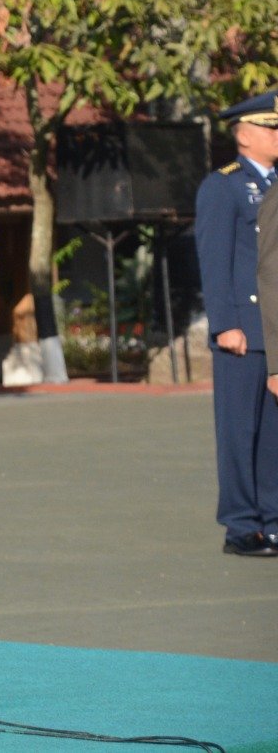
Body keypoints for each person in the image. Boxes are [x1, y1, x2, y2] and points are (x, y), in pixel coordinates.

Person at [196, 91, 278, 557]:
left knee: (273, 433)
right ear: (245, 135)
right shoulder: (223, 186)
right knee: (239, 429)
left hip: (275, 328)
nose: (277, 135)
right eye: (271, 127)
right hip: (243, 329)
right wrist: (225, 323)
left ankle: (273, 519)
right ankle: (241, 525)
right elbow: (214, 259)